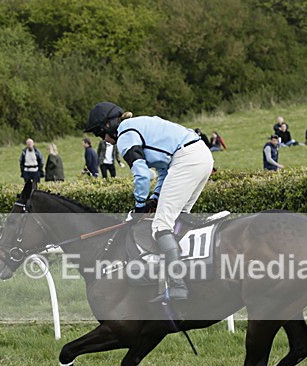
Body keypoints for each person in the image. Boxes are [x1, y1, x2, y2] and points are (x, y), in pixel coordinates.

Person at [84, 102, 214, 301]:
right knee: (179, 220)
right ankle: (191, 275)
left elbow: (142, 175)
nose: (105, 141)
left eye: (101, 135)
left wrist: (139, 205)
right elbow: (164, 170)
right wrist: (154, 198)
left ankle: (177, 285)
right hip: (200, 156)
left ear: (108, 126)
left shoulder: (126, 134)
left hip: (187, 159)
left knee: (161, 226)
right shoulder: (139, 125)